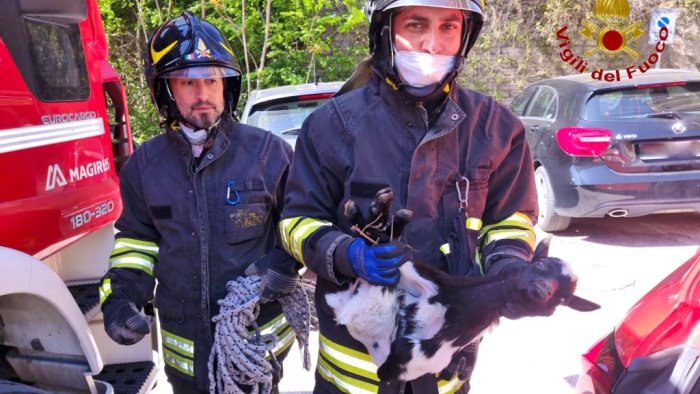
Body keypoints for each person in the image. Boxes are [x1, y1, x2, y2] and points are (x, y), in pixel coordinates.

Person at [278, 0, 542, 393]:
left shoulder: (496, 128)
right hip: (353, 379)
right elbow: (296, 223)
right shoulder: (331, 126)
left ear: (465, 36)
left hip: (445, 367)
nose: (432, 44)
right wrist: (347, 254)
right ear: (385, 30)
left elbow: (510, 220)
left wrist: (509, 269)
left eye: (448, 27)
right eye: (416, 24)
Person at [98, 11, 299, 393]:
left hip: (257, 347)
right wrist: (121, 297)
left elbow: (302, 225)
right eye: (188, 82)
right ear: (166, 90)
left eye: (211, 79)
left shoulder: (269, 154)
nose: (203, 93)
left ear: (227, 85)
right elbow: (136, 244)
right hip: (185, 355)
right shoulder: (144, 166)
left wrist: (285, 263)